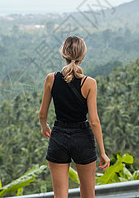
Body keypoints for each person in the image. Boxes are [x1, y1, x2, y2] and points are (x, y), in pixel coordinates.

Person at [39, 35, 110, 198]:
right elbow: (94, 121)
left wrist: (45, 126)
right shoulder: (89, 83)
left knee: (60, 195)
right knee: (88, 194)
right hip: (83, 139)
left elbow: (42, 113)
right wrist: (103, 152)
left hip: (58, 137)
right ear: (83, 56)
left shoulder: (51, 79)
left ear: (63, 54)